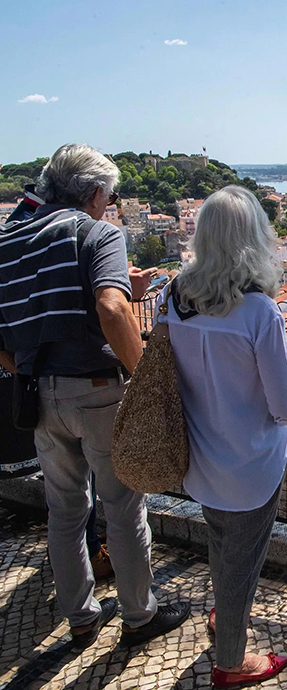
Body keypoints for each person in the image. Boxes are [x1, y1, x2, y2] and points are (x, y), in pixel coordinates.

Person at [0, 144, 189, 648]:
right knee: (123, 507)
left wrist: (24, 370)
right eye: (111, 195)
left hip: (38, 395)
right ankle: (138, 615)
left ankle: (80, 615)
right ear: (95, 193)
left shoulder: (8, 238)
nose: (111, 204)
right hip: (98, 390)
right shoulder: (97, 234)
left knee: (64, 511)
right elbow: (110, 309)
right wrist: (146, 379)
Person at [156, 185, 287, 688]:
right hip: (249, 463)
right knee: (243, 559)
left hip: (196, 456)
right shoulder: (259, 312)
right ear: (253, 238)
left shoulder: (171, 297)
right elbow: (285, 406)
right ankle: (231, 662)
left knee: (223, 543)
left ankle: (225, 616)